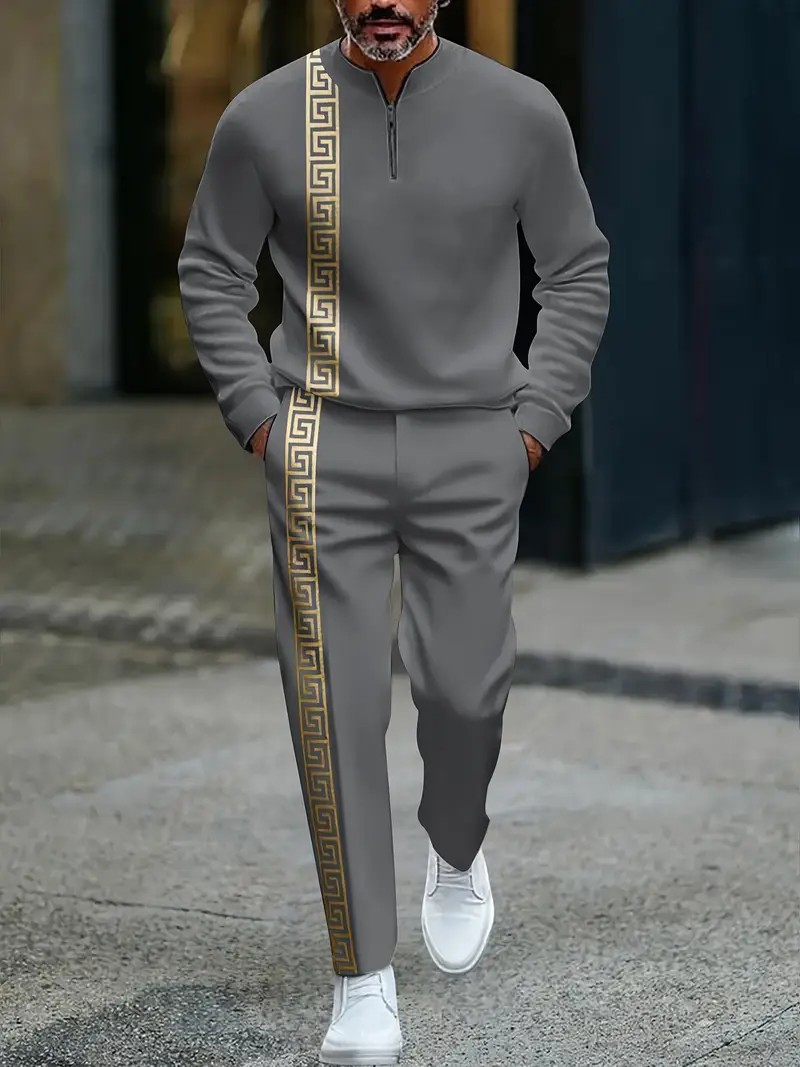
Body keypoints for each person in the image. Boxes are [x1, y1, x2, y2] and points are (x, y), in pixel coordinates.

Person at [178, 1, 610, 1062]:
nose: (384, 0)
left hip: (474, 441)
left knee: (464, 691)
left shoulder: (520, 112)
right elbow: (212, 270)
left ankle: (455, 843)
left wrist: (534, 423)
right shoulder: (266, 115)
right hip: (322, 441)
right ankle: (360, 975)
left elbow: (575, 270)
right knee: (334, 708)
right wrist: (260, 420)